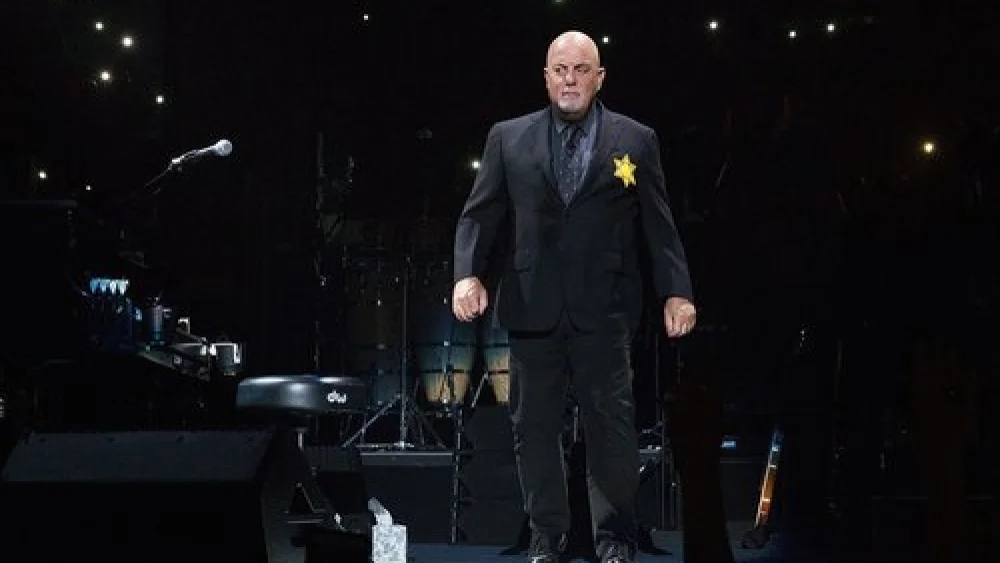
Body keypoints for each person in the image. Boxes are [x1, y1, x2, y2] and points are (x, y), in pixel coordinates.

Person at [452, 30, 696, 563]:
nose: (570, 80)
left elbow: (659, 225)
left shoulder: (636, 140)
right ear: (545, 78)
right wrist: (467, 275)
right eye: (560, 70)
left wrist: (676, 291)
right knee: (533, 429)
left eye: (581, 70)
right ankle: (548, 538)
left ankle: (613, 539)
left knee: (611, 428)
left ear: (599, 77)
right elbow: (479, 215)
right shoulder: (507, 138)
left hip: (605, 309)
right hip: (533, 307)